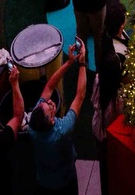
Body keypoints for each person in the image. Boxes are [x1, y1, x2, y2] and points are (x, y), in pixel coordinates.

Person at [28, 41, 89, 193]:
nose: (49, 103)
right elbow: (80, 96)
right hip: (65, 182)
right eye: (49, 107)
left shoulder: (33, 126)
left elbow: (49, 87)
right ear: (52, 120)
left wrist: (68, 63)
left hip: (43, 181)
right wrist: (82, 64)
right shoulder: (62, 130)